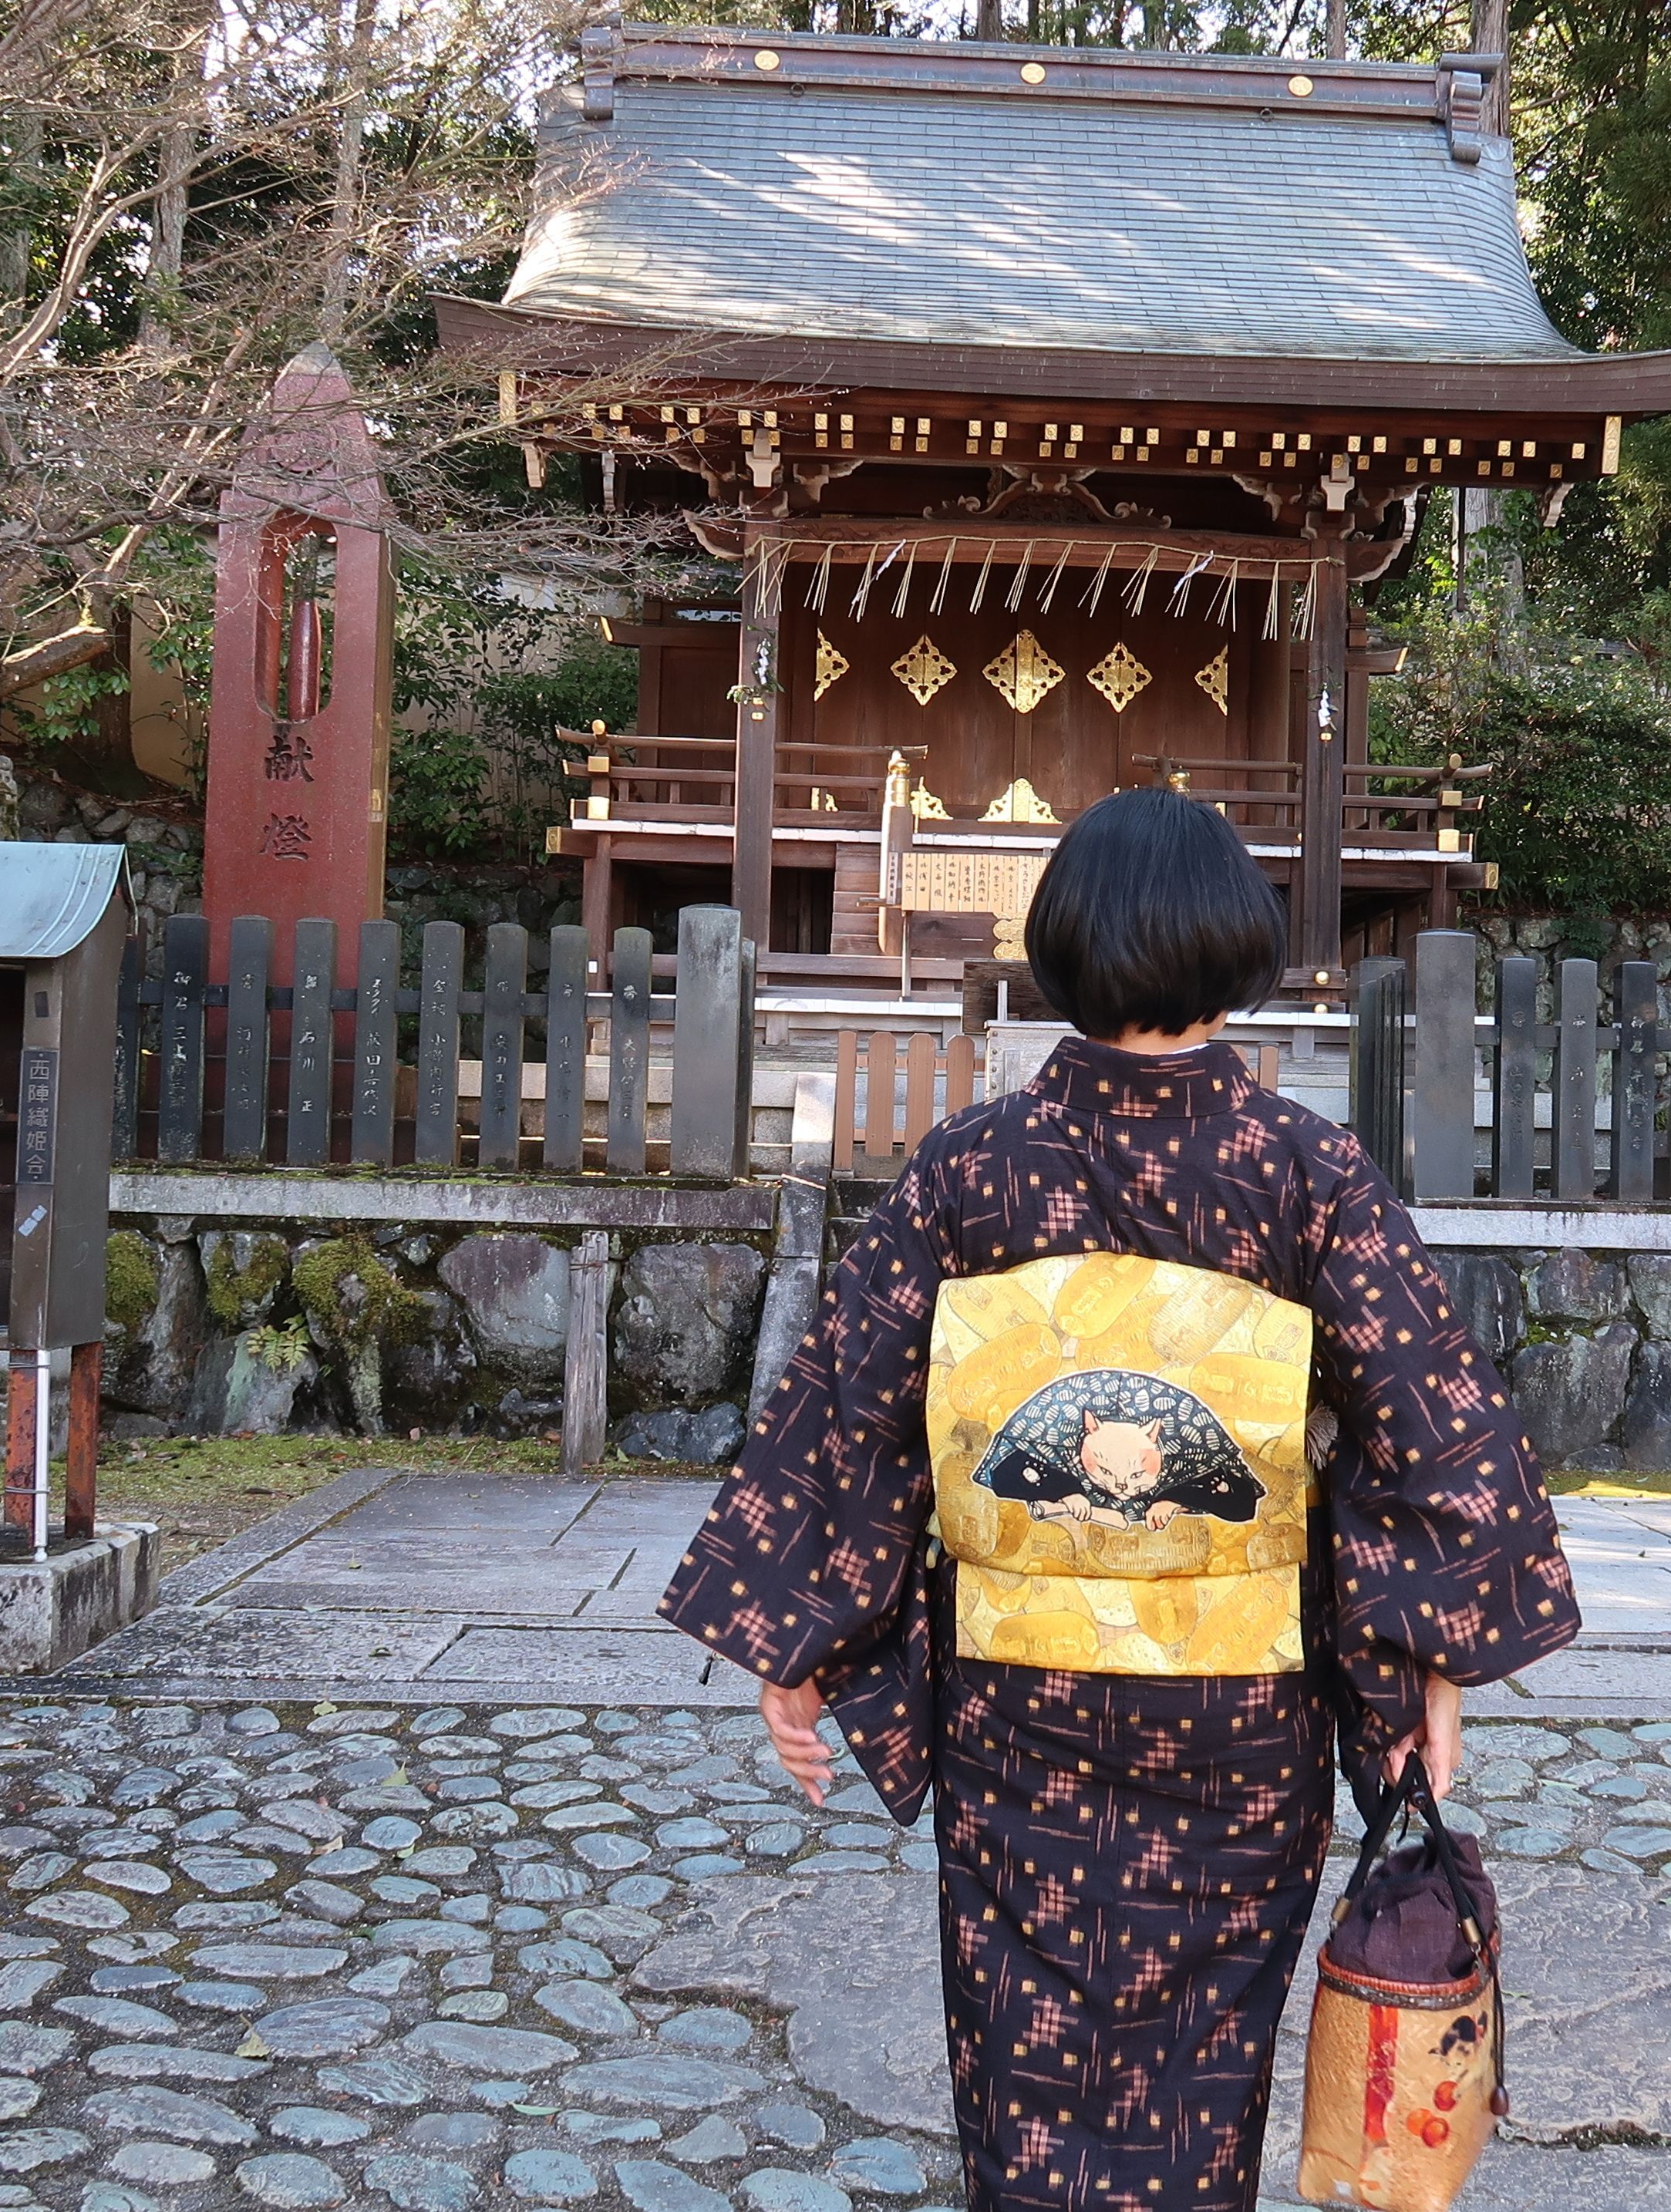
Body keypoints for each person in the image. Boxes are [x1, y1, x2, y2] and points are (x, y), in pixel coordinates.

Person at [659, 786, 1577, 2212]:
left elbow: (852, 1412)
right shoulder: (1304, 1168)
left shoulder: (971, 1168)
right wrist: (1428, 1658)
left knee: (1020, 2038)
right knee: (1208, 2057)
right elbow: (1429, 1413)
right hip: (1239, 1707)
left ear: (1065, 946)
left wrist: (800, 1636)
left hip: (1017, 1695)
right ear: (1236, 950)